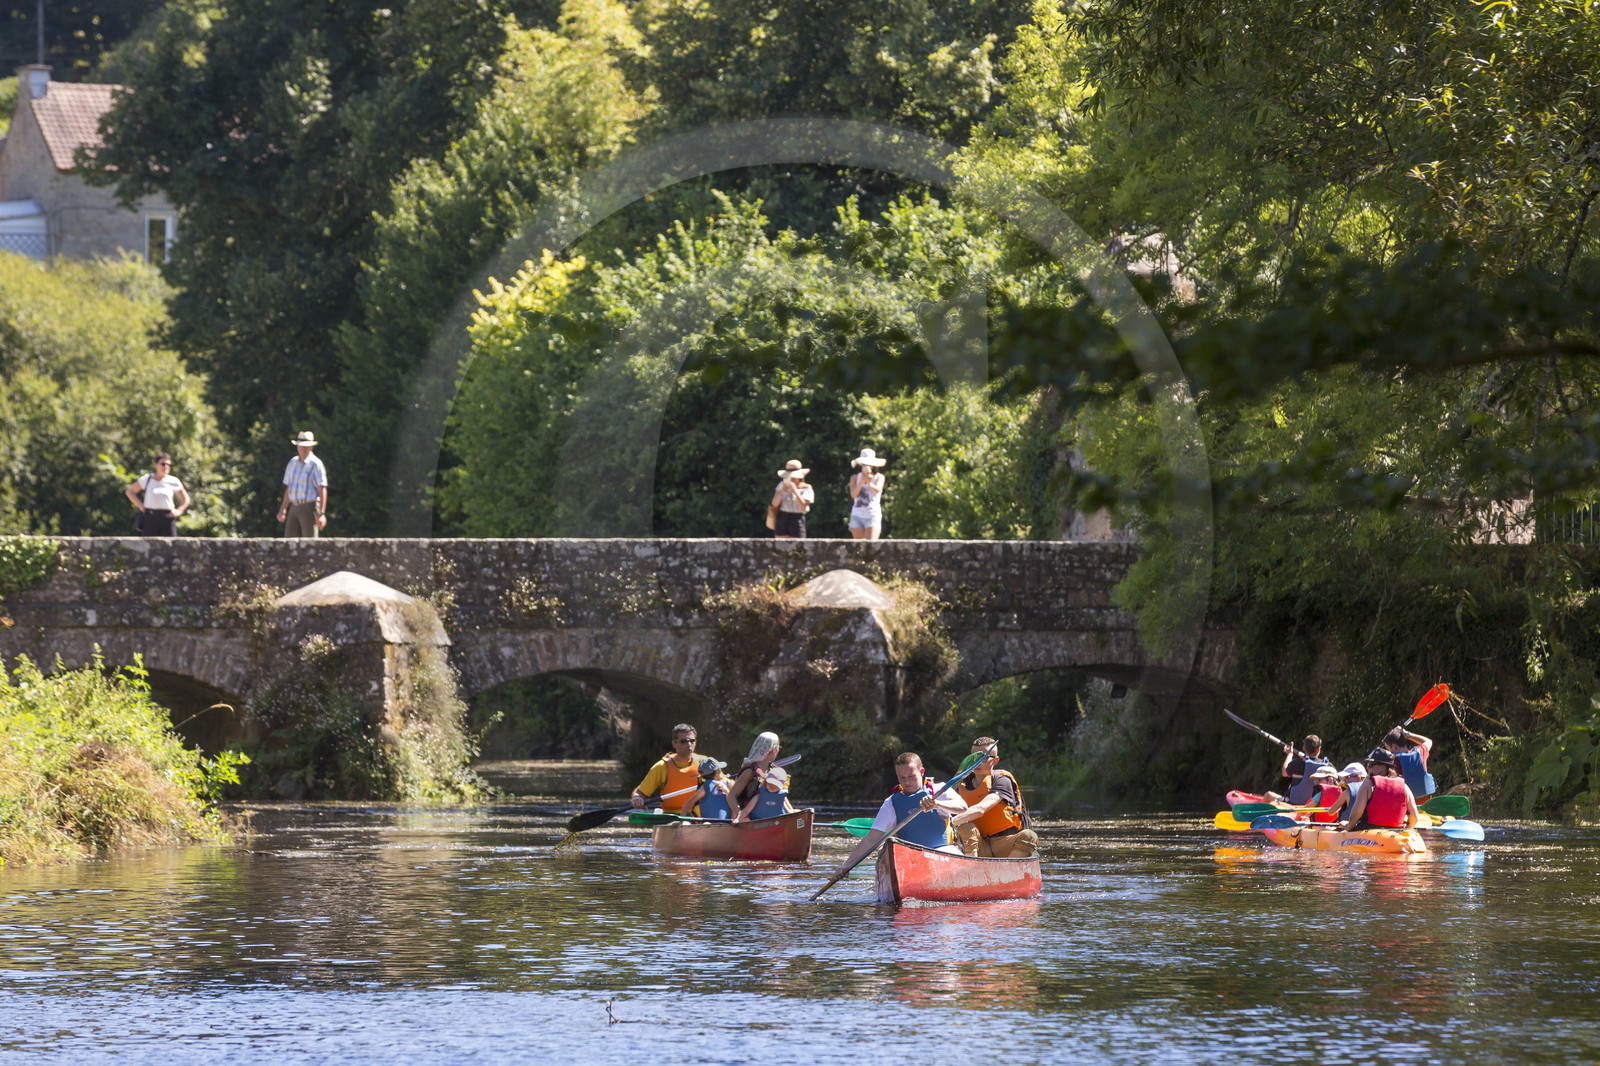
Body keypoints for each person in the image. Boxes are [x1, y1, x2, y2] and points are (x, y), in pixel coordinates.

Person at [827, 752, 967, 882]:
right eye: (902, 778)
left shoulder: (938, 790)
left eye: (911, 776)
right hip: (909, 857)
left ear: (921, 772)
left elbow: (962, 807)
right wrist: (846, 864)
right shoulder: (891, 803)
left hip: (941, 851)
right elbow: (872, 838)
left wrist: (936, 804)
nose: (907, 782)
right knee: (887, 849)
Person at [952, 737, 1039, 857]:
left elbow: (980, 810)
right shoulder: (961, 784)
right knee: (966, 827)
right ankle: (972, 868)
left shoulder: (1002, 780)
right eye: (974, 758)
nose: (978, 762)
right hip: (979, 845)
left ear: (995, 760)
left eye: (984, 757)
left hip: (1005, 844)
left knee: (1029, 836)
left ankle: (1007, 871)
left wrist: (948, 823)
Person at [630, 723, 704, 813]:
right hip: (671, 816)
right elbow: (639, 792)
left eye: (692, 741)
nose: (689, 745)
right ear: (674, 744)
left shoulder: (704, 762)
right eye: (683, 741)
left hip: (698, 816)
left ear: (695, 742)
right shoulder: (662, 767)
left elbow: (725, 782)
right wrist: (636, 797)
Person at [1341, 748, 1420, 831]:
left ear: (1383, 767)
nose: (1368, 767)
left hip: (1369, 832)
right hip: (1396, 833)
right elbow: (1414, 816)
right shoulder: (1404, 787)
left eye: (1371, 764)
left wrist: (1348, 827)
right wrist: (1407, 830)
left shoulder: (1368, 784)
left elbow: (1357, 812)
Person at [277, 430, 328, 538]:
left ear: (311, 447)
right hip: (294, 506)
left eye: (306, 446)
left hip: (309, 506)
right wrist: (283, 509)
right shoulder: (292, 463)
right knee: (289, 541)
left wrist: (321, 513)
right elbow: (289, 488)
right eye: (301, 446)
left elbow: (322, 489)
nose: (303, 449)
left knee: (309, 542)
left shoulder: (316, 464)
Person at [125, 453, 189, 536]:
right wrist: (141, 507)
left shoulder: (173, 481)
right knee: (149, 544)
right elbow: (130, 491)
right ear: (156, 465)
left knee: (170, 545)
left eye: (169, 465)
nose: (166, 467)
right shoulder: (147, 479)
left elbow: (186, 498)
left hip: (167, 516)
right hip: (150, 516)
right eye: (163, 464)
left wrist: (179, 510)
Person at [729, 731, 783, 811]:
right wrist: (740, 815)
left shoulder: (772, 770)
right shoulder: (750, 771)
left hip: (769, 814)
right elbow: (731, 796)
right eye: (779, 748)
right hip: (751, 817)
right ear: (774, 750)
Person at [1267, 734, 1328, 804]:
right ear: (1318, 750)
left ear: (1304, 748)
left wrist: (1290, 754)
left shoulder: (1297, 763)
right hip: (1314, 804)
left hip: (1293, 802)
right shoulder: (1326, 766)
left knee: (1268, 795)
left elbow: (1284, 772)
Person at [1383, 726, 1437, 802]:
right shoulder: (1419, 752)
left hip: (1408, 805)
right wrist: (1407, 734)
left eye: (1388, 749)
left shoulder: (1391, 762)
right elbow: (1428, 741)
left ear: (1394, 747)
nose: (1389, 752)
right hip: (1426, 803)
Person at [848, 447, 886, 540]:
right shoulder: (855, 477)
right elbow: (853, 495)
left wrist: (869, 482)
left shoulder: (879, 477)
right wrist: (861, 481)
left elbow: (878, 489)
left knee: (871, 546)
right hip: (857, 514)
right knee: (859, 548)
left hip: (872, 514)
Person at [772, 460, 814, 540]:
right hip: (783, 517)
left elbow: (803, 507)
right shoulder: (781, 486)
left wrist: (795, 491)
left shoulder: (806, 488)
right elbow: (774, 504)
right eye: (789, 478)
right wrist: (781, 492)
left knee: (798, 548)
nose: (792, 481)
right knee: (781, 547)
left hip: (797, 518)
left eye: (794, 478)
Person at [682, 756, 733, 820]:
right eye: (719, 769)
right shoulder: (704, 790)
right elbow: (734, 802)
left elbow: (685, 806)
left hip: (720, 825)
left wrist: (726, 791)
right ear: (718, 772)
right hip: (715, 826)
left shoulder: (703, 790)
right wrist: (727, 791)